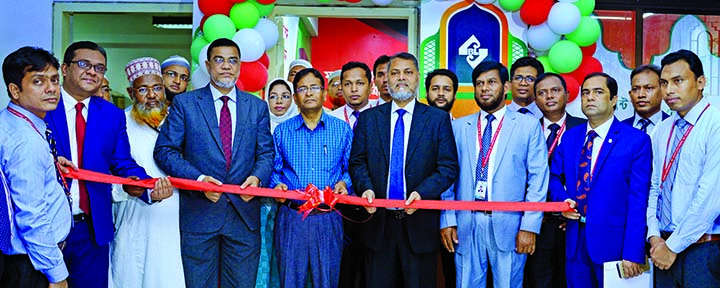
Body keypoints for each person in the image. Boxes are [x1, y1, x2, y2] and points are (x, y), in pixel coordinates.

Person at [46, 41, 172, 288]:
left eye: (100, 68)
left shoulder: (111, 114)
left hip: (93, 229)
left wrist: (145, 186)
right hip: (47, 227)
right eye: (84, 64)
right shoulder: (43, 106)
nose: (92, 72)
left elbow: (122, 162)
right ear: (64, 68)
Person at [154, 38, 275, 288]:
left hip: (243, 215)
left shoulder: (257, 107)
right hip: (199, 214)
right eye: (219, 60)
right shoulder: (185, 104)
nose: (226, 66)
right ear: (208, 65)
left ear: (240, 65)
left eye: (233, 61)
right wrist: (198, 180)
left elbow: (266, 154)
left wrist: (257, 177)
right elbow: (165, 151)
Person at [349, 52, 459, 288]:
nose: (401, 78)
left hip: (420, 224)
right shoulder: (369, 119)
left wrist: (423, 193)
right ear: (385, 79)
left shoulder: (437, 119)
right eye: (395, 73)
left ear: (417, 77)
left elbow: (448, 167)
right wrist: (365, 188)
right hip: (377, 225)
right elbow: (357, 162)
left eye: (408, 72)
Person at [440, 61, 549, 288]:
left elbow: (538, 180)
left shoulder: (528, 126)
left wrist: (529, 226)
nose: (484, 88)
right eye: (479, 83)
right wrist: (448, 220)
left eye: (491, 82)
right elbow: (447, 178)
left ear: (506, 86)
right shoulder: (459, 127)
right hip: (466, 224)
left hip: (509, 225)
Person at [550, 72, 651, 288]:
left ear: (614, 100)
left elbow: (638, 200)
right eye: (586, 93)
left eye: (598, 92)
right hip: (575, 242)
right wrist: (562, 201)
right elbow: (553, 177)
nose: (590, 98)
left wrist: (633, 251)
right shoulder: (571, 137)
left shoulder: (636, 140)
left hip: (615, 245)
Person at [271, 67, 353, 288]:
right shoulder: (282, 131)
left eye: (314, 88)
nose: (308, 93)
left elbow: (350, 169)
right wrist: (276, 185)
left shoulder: (342, 130)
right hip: (292, 216)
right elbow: (274, 170)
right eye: (302, 89)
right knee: (290, 280)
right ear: (296, 96)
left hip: (329, 217)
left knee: (326, 280)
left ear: (324, 93)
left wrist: (345, 183)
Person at [647, 49, 720, 287]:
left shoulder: (715, 123)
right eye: (664, 83)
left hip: (704, 249)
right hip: (662, 248)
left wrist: (673, 246)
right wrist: (654, 235)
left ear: (701, 82)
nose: (668, 90)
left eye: (678, 81)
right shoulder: (662, 129)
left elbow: (710, 196)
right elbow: (654, 186)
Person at [0, 46, 71, 288]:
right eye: (38, 81)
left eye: (54, 80)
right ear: (15, 90)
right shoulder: (26, 142)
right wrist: (57, 274)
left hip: (26, 260)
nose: (51, 88)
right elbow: (32, 215)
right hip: (31, 264)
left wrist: (51, 166)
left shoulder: (10, 123)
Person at [110, 57, 183, 288]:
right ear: (131, 93)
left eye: (157, 88)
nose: (152, 96)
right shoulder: (119, 122)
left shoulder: (179, 120)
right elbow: (112, 169)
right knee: (131, 275)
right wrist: (135, 189)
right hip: (133, 215)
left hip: (173, 216)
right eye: (143, 89)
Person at [525, 72, 586, 288]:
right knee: (538, 281)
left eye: (555, 90)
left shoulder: (585, 128)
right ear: (535, 99)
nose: (549, 96)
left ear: (567, 94)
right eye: (541, 93)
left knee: (570, 281)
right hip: (537, 224)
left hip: (572, 223)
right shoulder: (525, 128)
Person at [256, 77, 295, 288]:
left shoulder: (297, 127)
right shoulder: (257, 124)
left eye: (285, 96)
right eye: (273, 96)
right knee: (263, 252)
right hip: (262, 204)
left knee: (286, 254)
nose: (279, 101)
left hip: (290, 205)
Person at [622, 64, 669, 134]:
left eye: (648, 88)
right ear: (630, 95)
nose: (641, 95)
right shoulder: (620, 128)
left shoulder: (673, 126)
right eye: (636, 89)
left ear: (662, 92)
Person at [329, 61, 374, 129]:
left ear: (370, 87)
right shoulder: (331, 119)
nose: (353, 89)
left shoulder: (384, 116)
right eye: (348, 84)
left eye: (360, 83)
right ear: (341, 87)